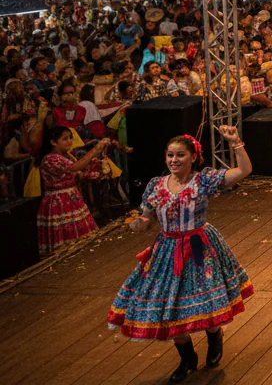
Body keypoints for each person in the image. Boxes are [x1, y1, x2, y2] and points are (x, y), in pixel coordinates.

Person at [107, 129, 252, 382]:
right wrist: (140, 223)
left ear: (193, 157)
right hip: (167, 250)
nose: (174, 160)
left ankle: (214, 336)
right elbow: (147, 216)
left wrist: (236, 143)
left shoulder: (202, 180)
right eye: (170, 155)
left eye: (180, 155)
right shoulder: (156, 184)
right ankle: (187, 358)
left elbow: (243, 171)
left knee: (206, 302)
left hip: (198, 247)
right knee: (170, 306)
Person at [36, 126, 111, 254]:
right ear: (53, 142)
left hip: (72, 198)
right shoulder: (50, 159)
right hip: (59, 203)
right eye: (65, 139)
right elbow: (75, 167)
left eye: (70, 138)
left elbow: (76, 172)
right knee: (66, 244)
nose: (70, 141)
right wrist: (95, 150)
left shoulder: (65, 155)